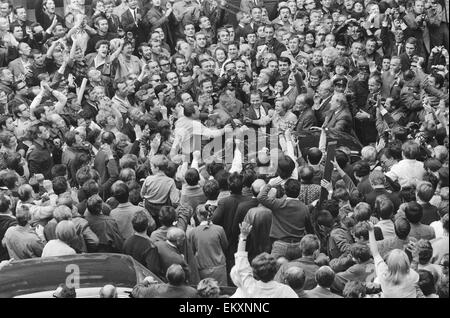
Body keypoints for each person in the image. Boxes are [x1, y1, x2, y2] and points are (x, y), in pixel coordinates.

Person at [234, 221, 298, 298]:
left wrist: (243, 236)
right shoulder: (286, 291)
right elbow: (241, 262)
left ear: (254, 273)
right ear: (275, 271)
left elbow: (241, 262)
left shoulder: (249, 287)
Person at [368, 221, 420, 298]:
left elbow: (375, 253)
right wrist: (416, 255)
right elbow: (414, 264)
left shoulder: (383, 274)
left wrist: (371, 231)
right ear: (406, 263)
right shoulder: (413, 276)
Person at [188, 204, 228, 285]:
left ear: (199, 216)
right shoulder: (219, 229)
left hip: (203, 268)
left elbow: (192, 250)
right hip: (219, 267)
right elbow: (225, 246)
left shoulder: (193, 232)